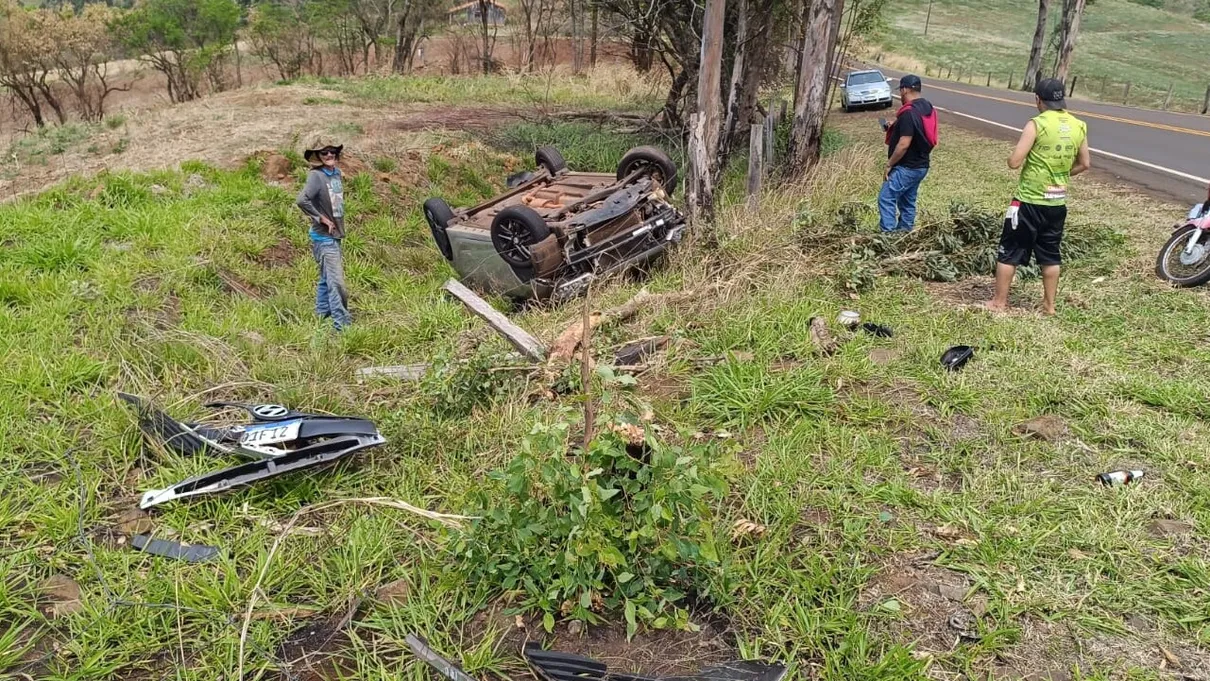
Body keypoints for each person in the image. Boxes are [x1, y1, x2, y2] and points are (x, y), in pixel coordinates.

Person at [987, 78, 1089, 315]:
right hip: (1057, 203)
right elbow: (1085, 163)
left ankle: (999, 302)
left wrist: (1014, 159)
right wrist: (1062, 174)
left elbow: (1014, 162)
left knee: (1010, 251)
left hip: (1029, 201)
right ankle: (1049, 306)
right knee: (1051, 255)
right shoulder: (1078, 125)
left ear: (1037, 100)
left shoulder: (1036, 124)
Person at [296, 135, 351, 331]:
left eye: (332, 152)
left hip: (334, 235)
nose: (329, 155)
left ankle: (322, 315)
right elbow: (302, 200)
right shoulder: (316, 176)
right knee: (337, 284)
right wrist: (321, 218)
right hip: (324, 238)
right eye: (324, 152)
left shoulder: (334, 173)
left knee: (325, 279)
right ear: (318, 156)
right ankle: (341, 325)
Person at [878, 74, 938, 232]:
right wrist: (895, 125)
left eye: (900, 90)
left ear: (904, 89)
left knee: (886, 197)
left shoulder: (908, 113)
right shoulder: (926, 107)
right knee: (907, 201)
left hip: (907, 167)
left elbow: (904, 144)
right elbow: (917, 126)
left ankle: (888, 237)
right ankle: (905, 234)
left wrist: (889, 164)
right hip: (921, 165)